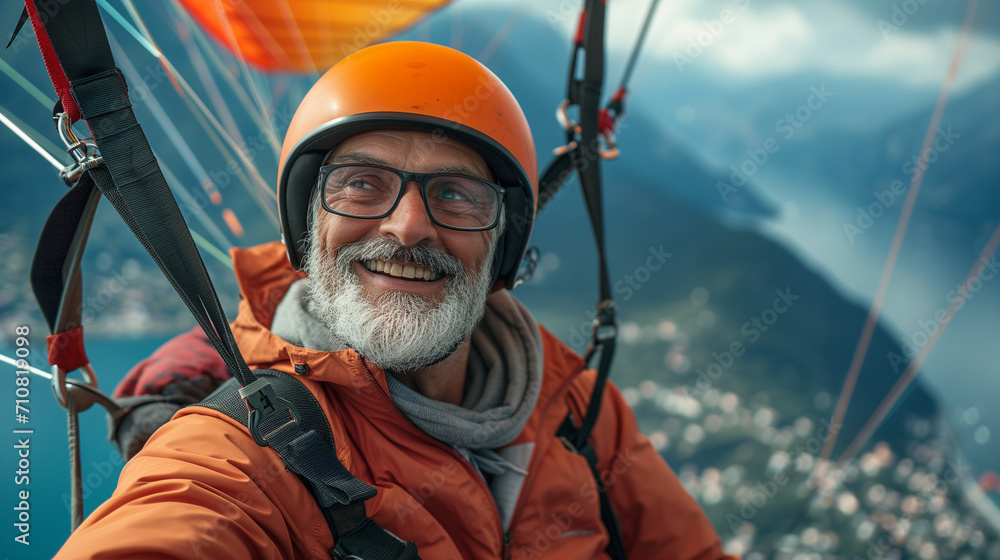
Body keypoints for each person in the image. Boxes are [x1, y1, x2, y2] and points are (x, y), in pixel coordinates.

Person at [54, 42, 736, 560]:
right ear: (306, 229)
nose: (408, 228)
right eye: (361, 184)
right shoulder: (241, 453)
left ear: (503, 248)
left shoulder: (578, 411)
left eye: (456, 194)